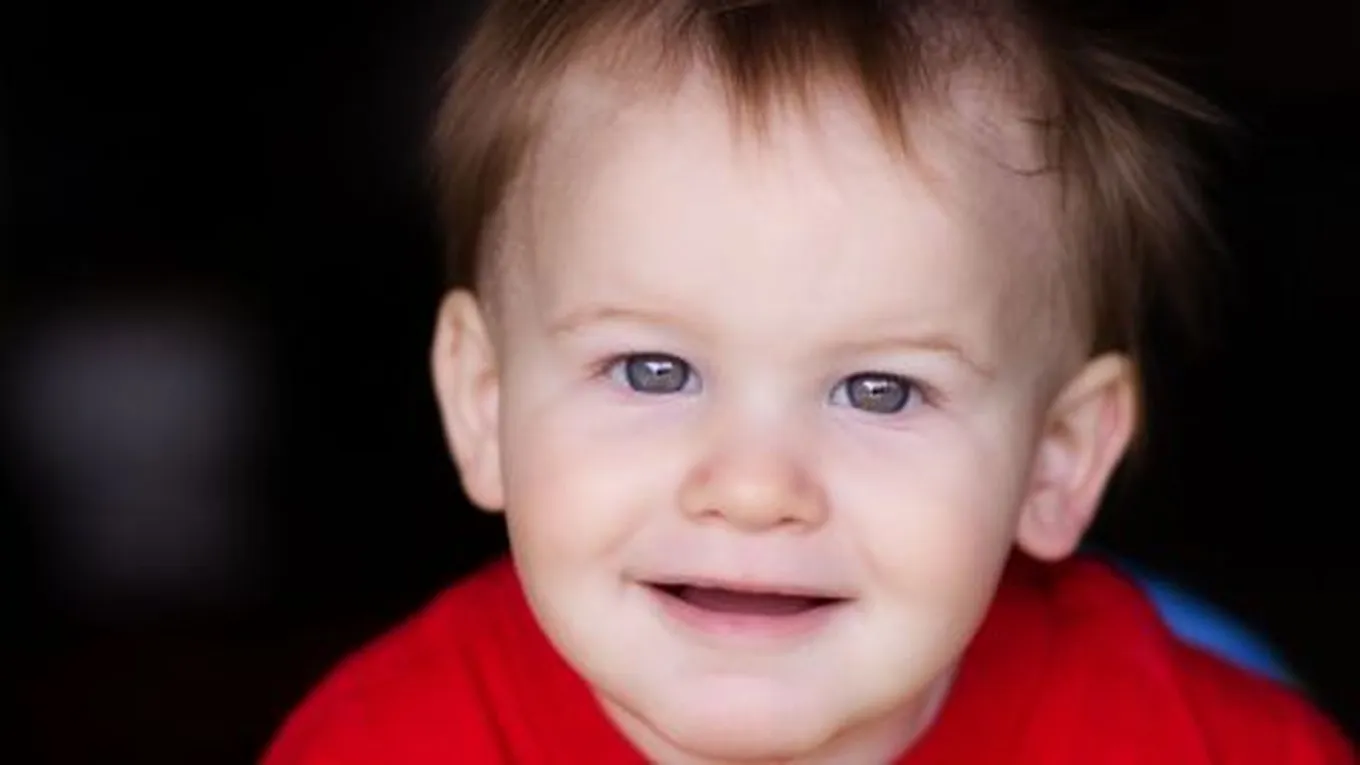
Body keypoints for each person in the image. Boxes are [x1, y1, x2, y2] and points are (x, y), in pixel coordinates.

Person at [263, 1, 1355, 762]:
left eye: (880, 390)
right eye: (652, 369)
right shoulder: (376, 745)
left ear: (1056, 460)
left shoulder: (1207, 748)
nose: (753, 489)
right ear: (485, 403)